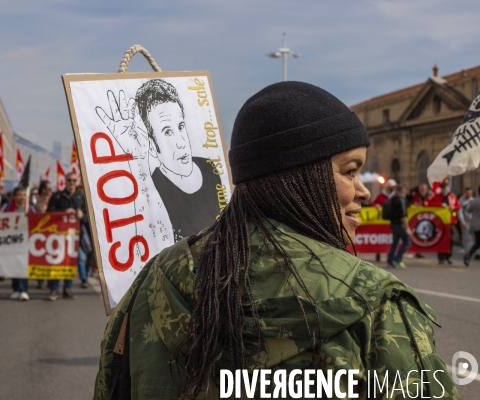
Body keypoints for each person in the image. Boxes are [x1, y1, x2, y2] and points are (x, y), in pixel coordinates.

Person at [94, 82, 456, 399]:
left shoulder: (154, 278)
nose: (363, 190)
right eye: (350, 170)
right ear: (302, 176)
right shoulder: (374, 302)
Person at [97, 79, 223, 242]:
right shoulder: (153, 187)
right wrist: (134, 156)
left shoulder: (210, 168)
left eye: (180, 127)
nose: (181, 142)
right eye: (167, 132)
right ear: (150, 142)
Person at [47, 171, 88, 299]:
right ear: (65, 181)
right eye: (69, 180)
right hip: (59, 236)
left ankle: (68, 288)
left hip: (75, 236)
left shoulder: (81, 196)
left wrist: (82, 216)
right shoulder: (57, 196)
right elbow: (49, 213)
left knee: (71, 262)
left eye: (74, 180)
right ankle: (54, 289)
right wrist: (64, 212)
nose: (71, 183)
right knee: (57, 262)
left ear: (77, 182)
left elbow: (88, 217)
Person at [2, 187, 35, 301]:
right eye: (19, 195)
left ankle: (23, 290)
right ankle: (15, 289)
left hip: (25, 242)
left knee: (22, 266)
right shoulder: (6, 208)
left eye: (23, 195)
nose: (22, 197)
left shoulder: (30, 208)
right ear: (14, 197)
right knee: (13, 265)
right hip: (11, 241)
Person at [371, 178, 396, 261]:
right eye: (391, 187)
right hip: (381, 222)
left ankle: (390, 254)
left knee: (391, 239)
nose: (393, 188)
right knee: (380, 238)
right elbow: (373, 204)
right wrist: (376, 206)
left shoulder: (395, 196)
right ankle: (378, 254)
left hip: (392, 222)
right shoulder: (380, 196)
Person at [386, 185, 411, 268]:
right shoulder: (401, 200)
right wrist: (407, 228)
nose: (404, 195)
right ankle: (398, 259)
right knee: (407, 241)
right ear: (401, 192)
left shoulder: (392, 199)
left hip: (393, 224)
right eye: (404, 193)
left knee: (395, 243)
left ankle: (390, 260)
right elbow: (403, 215)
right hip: (400, 225)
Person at [436, 181, 460, 265]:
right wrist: (440, 205)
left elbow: (458, 206)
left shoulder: (452, 196)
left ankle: (448, 256)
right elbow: (432, 205)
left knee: (450, 239)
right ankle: (441, 257)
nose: (444, 189)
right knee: (440, 238)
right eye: (443, 188)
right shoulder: (437, 197)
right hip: (440, 221)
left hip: (450, 221)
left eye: (445, 187)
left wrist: (453, 207)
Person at [34, 180, 52, 289]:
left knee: (50, 257)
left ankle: (50, 279)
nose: (50, 191)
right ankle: (40, 279)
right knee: (40, 258)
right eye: (48, 189)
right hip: (39, 231)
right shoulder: (36, 201)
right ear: (43, 190)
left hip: (51, 231)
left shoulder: (53, 199)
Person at [459, 187, 474, 255]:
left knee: (473, 237)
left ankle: (473, 250)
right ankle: (466, 250)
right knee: (465, 236)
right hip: (465, 221)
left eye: (470, 193)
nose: (469, 194)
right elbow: (459, 211)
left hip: (473, 221)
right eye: (467, 193)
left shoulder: (473, 200)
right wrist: (462, 220)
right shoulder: (461, 200)